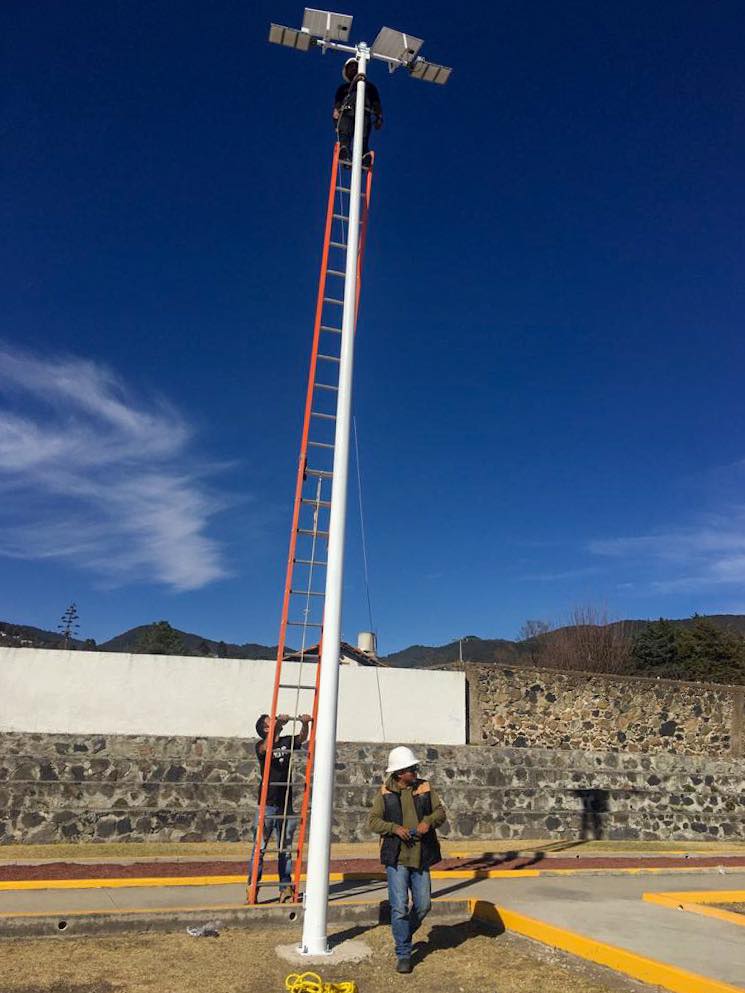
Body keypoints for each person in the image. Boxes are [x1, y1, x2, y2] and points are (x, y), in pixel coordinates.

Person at [368, 746, 446, 974]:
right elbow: (373, 822)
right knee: (399, 907)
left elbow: (440, 813)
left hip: (421, 856)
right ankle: (403, 952)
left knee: (423, 905)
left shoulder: (425, 787)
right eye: (411, 768)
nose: (415, 771)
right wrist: (394, 828)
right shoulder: (383, 793)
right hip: (396, 858)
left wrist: (428, 822)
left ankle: (404, 933)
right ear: (400, 773)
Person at [248, 712, 312, 903]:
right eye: (270, 721)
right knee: (259, 848)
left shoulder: (285, 741)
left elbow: (301, 738)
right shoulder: (261, 745)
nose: (274, 720)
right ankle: (253, 887)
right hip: (267, 804)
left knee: (285, 848)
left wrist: (304, 724)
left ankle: (285, 888)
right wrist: (276, 727)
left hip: (285, 804)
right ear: (266, 728)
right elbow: (266, 749)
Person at [333, 57, 383, 165]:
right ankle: (344, 151)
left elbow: (376, 103)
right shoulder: (343, 88)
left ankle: (363, 155)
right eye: (350, 67)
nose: (353, 69)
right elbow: (337, 106)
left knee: (363, 135)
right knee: (345, 130)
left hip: (365, 111)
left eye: (355, 66)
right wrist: (336, 117)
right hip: (347, 110)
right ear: (346, 71)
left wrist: (379, 116)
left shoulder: (369, 87)